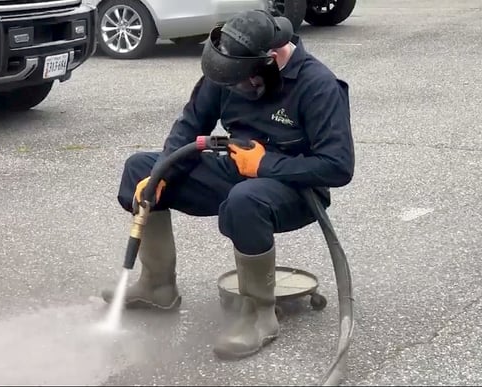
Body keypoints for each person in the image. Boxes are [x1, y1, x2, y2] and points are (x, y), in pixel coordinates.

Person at [101, 9, 355, 360]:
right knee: (140, 169)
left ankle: (259, 315)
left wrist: (265, 164)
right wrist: (162, 174)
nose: (233, 88)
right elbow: (190, 125)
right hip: (236, 170)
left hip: (297, 188)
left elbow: (337, 167)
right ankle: (158, 285)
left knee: (245, 199)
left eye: (240, 81)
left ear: (269, 60)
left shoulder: (317, 85)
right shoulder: (231, 65)